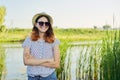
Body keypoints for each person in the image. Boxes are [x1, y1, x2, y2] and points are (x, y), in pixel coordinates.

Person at [22, 12, 60, 80]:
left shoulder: (54, 40)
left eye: (47, 23)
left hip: (49, 77)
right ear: (36, 24)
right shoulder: (28, 40)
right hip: (32, 77)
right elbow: (26, 61)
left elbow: (56, 64)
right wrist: (48, 60)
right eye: (41, 23)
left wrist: (34, 61)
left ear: (49, 25)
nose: (44, 25)